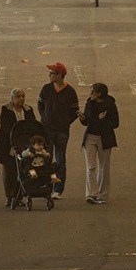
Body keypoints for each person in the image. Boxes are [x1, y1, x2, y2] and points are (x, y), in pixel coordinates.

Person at [38, 63, 80, 200]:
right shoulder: (46, 88)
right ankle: (47, 186)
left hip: (62, 130)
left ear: (60, 75)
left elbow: (75, 111)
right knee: (46, 157)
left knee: (60, 158)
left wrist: (65, 122)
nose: (49, 75)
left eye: (52, 73)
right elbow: (40, 105)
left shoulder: (70, 92)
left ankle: (58, 189)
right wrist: (45, 119)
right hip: (47, 129)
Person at [0, 88, 37, 207]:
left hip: (24, 145)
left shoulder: (28, 110)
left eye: (23, 96)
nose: (21, 99)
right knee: (9, 171)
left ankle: (20, 196)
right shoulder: (6, 110)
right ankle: (10, 196)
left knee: (23, 170)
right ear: (12, 99)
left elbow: (33, 125)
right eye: (18, 96)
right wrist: (16, 136)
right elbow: (6, 127)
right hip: (8, 145)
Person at [79, 82, 119, 205]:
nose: (90, 94)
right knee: (91, 166)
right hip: (90, 137)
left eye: (93, 92)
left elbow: (115, 123)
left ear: (99, 94)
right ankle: (91, 193)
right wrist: (82, 118)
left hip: (105, 138)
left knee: (104, 167)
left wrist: (102, 121)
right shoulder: (89, 103)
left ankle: (102, 195)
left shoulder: (110, 105)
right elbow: (87, 122)